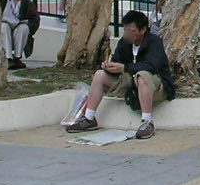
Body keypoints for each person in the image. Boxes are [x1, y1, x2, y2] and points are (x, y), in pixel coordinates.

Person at [66, 9, 171, 138]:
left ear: (143, 30)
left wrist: (124, 67)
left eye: (131, 31)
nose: (127, 34)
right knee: (100, 75)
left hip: (154, 83)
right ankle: (89, 117)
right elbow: (117, 61)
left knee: (142, 75)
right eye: (126, 30)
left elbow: (152, 66)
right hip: (130, 82)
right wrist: (109, 66)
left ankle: (147, 121)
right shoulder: (124, 42)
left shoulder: (154, 42)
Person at [0, 0, 40, 69]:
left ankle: (17, 57)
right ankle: (8, 58)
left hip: (18, 30)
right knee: (3, 26)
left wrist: (26, 23)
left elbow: (35, 20)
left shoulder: (28, 4)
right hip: (3, 29)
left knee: (24, 28)